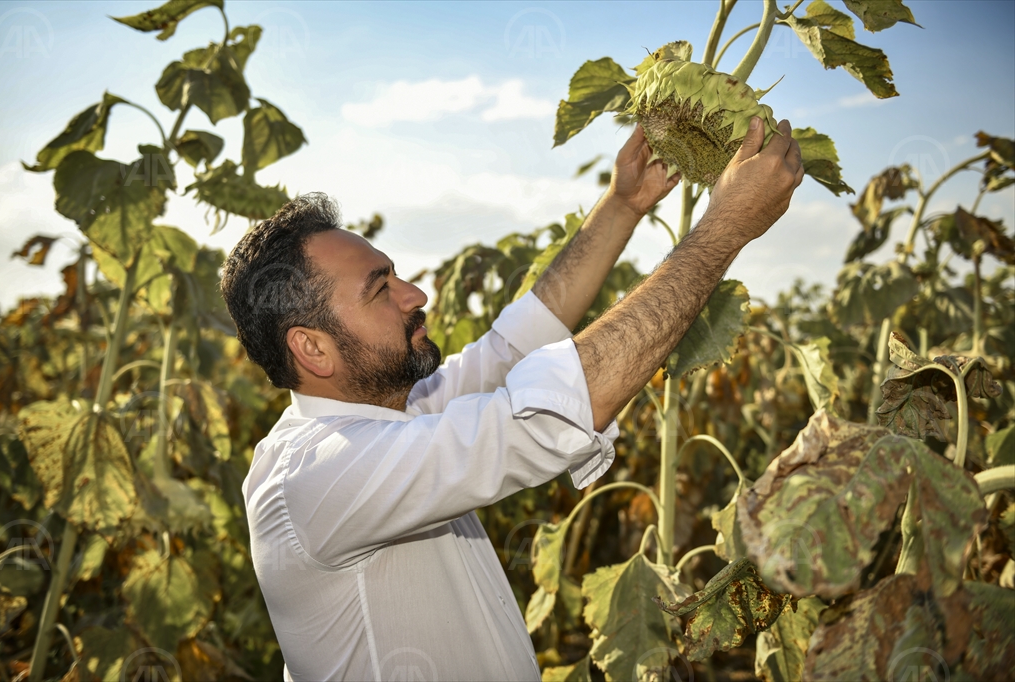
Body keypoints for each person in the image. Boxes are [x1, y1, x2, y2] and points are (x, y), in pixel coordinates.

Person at [220, 117, 803, 681]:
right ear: (313, 350)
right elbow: (541, 417)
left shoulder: (396, 412)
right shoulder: (315, 478)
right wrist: (724, 227)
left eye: (395, 275)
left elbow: (513, 346)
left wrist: (623, 205)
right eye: (381, 290)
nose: (415, 293)